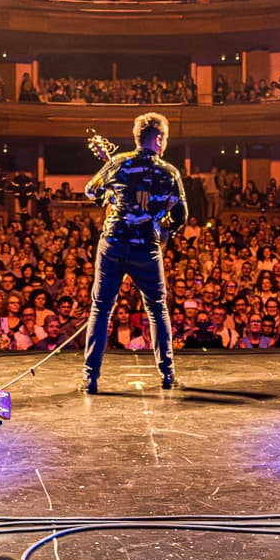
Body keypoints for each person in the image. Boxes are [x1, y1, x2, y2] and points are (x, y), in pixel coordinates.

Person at [81, 112, 189, 394]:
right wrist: (167, 230)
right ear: (159, 138)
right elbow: (181, 213)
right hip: (146, 249)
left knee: (101, 309)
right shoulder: (169, 172)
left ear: (137, 138)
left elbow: (90, 192)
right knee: (156, 309)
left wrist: (110, 196)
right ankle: (167, 374)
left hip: (114, 245)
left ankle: (90, 378)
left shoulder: (118, 162)